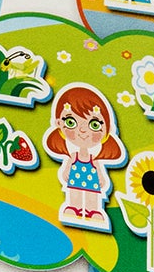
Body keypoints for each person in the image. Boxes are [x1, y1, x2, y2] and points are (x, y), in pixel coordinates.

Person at [42, 84, 126, 231]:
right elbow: (66, 170)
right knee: (74, 193)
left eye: (94, 125)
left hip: (91, 181)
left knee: (92, 197)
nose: (82, 130)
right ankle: (74, 208)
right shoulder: (73, 156)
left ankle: (93, 211)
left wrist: (102, 178)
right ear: (59, 124)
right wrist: (66, 171)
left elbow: (100, 172)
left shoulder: (95, 160)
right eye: (71, 122)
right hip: (75, 180)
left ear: (107, 130)